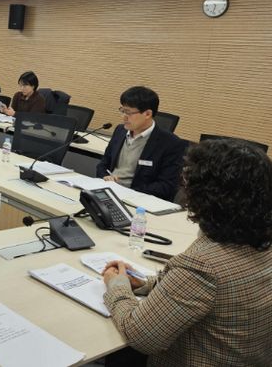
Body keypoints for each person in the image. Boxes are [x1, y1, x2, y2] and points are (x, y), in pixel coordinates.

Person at [102, 139, 272, 366]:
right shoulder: (255, 241)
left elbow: (139, 335)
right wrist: (144, 283)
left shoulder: (203, 264)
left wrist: (118, 286)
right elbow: (201, 293)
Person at [96, 86, 186, 201]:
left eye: (128, 112)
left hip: (138, 199)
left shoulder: (171, 143)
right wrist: (105, 176)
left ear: (147, 114)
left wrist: (129, 192)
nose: (123, 117)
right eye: (122, 111)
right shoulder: (120, 131)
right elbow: (103, 164)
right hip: (109, 191)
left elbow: (166, 186)